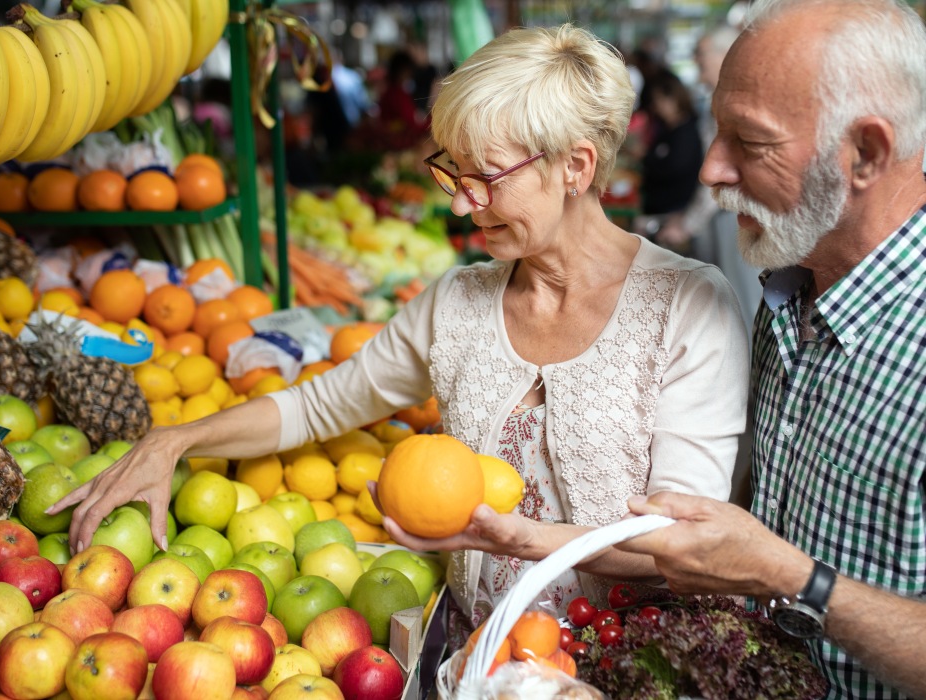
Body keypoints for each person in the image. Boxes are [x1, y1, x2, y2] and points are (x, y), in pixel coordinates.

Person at [50, 23, 749, 646]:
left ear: (576, 166)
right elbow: (323, 403)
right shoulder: (457, 304)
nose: (458, 200)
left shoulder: (685, 308)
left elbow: (679, 542)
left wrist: (520, 540)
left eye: (485, 176)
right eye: (452, 170)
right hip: (476, 664)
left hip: (634, 666)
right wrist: (176, 440)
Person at [613, 0, 926, 696]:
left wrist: (791, 578)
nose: (712, 171)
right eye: (714, 131)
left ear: (866, 153)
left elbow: (776, 565)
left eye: (749, 143)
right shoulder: (788, 291)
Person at [657, 25, 762, 341]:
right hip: (723, 213)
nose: (695, 59)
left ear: (725, 55)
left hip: (733, 214)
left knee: (741, 303)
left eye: (701, 52)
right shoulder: (720, 97)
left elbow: (719, 174)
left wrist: (688, 223)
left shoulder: (734, 100)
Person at [638, 70, 704, 227]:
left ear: (675, 98)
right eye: (656, 101)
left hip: (672, 212)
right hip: (659, 207)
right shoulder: (667, 129)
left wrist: (645, 157)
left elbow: (673, 169)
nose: (658, 106)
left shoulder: (686, 132)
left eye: (661, 100)